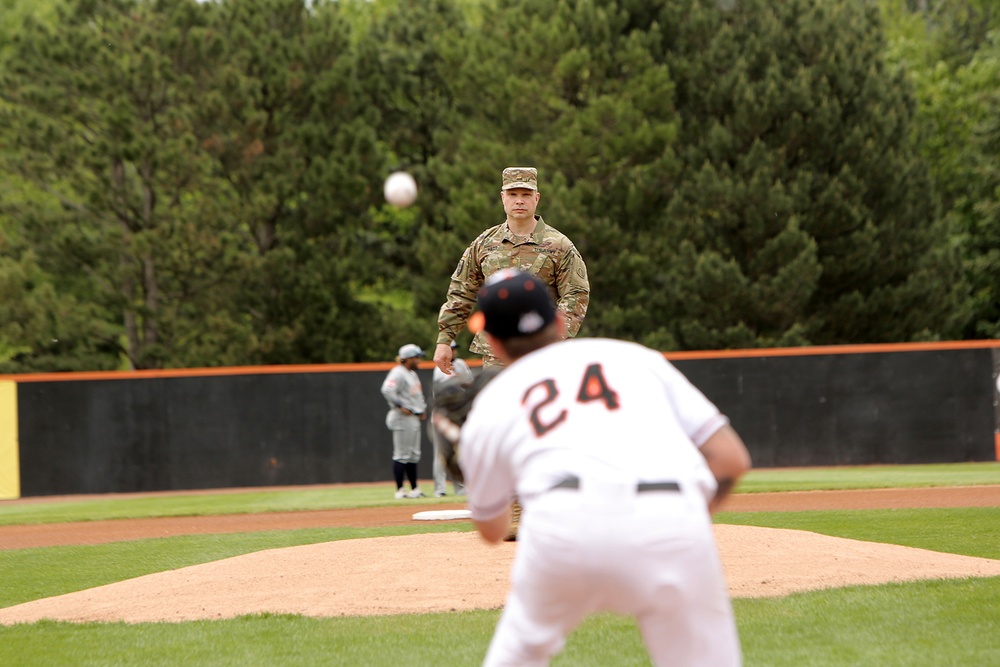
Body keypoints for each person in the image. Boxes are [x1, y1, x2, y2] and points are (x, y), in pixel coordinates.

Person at [452, 269, 752, 667]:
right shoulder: (634, 358)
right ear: (559, 322)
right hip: (670, 520)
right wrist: (682, 518)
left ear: (491, 342)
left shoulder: (493, 401)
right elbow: (732, 460)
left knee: (519, 654)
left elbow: (493, 531)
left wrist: (459, 464)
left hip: (563, 531)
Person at [433, 166, 590, 538]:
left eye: (525, 194)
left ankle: (555, 502)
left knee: (548, 423)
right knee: (507, 426)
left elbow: (577, 294)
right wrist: (444, 336)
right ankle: (514, 508)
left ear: (537, 199)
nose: (519, 200)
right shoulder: (484, 245)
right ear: (502, 198)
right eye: (512, 193)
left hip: (544, 352)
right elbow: (461, 290)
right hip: (496, 353)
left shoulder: (558, 245)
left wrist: (556, 334)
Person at [380, 343, 428, 499]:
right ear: (408, 359)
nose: (419, 360)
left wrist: (421, 409)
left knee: (413, 454)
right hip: (402, 418)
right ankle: (400, 490)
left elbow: (414, 396)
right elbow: (387, 389)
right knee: (401, 455)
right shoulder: (398, 372)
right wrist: (400, 405)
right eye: (416, 357)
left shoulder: (411, 374)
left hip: (413, 418)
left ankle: (414, 489)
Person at [429, 341, 472, 497]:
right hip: (443, 413)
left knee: (461, 451)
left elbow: (470, 383)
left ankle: (460, 487)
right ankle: (440, 489)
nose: (453, 351)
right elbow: (447, 390)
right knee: (442, 453)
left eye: (454, 349)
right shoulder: (440, 367)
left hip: (459, 413)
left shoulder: (460, 363)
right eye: (451, 348)